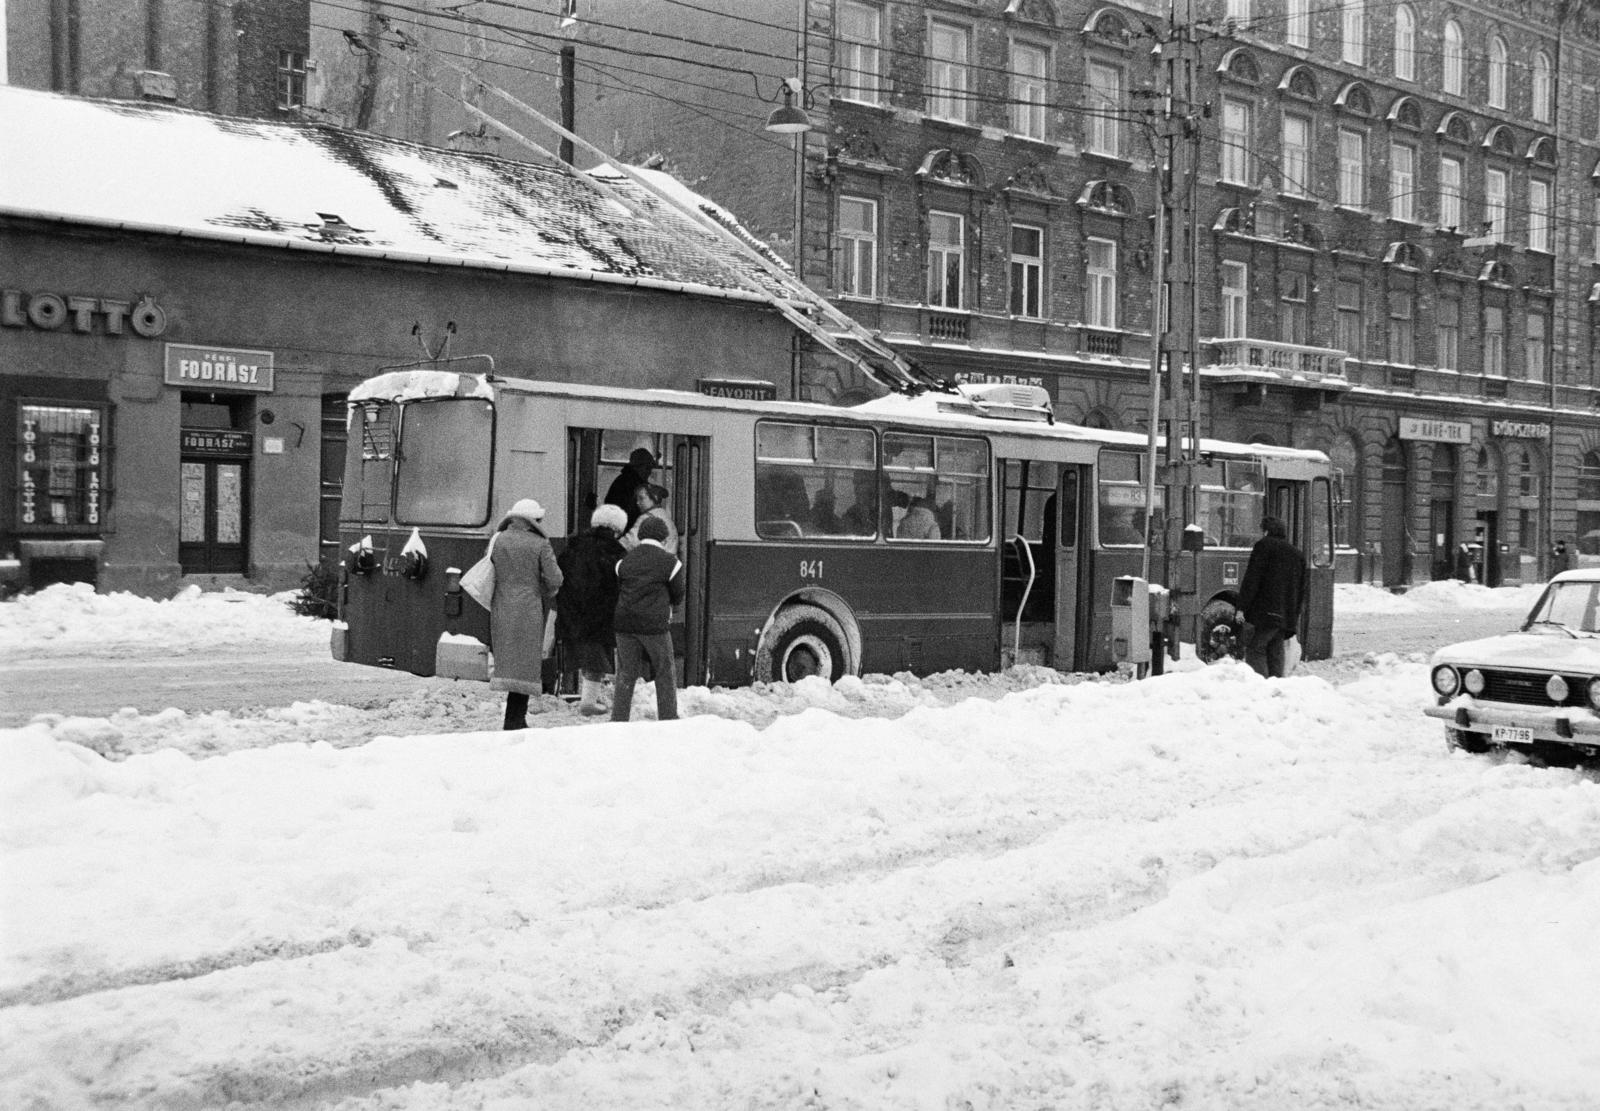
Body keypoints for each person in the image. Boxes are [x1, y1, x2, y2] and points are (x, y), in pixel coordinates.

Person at [488, 497, 563, 729]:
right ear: (533, 521)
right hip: (529, 607)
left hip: (501, 605)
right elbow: (555, 578)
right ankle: (515, 719)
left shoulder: (498, 539)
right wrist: (546, 589)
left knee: (509, 659)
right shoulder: (540, 544)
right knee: (526, 664)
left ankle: (514, 718)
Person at [555, 504, 629, 717]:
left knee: (582, 652)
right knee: (596, 656)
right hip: (600, 612)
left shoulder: (573, 546)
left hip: (572, 609)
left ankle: (579, 694)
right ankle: (588, 701)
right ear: (617, 529)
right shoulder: (616, 552)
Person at [611, 514, 686, 722]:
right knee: (664, 671)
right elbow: (679, 593)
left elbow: (620, 588)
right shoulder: (671, 563)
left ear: (641, 536)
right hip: (654, 627)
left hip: (624, 625)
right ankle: (668, 717)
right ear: (663, 539)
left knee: (626, 673)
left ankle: (618, 719)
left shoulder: (624, 562)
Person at [1236, 515, 1307, 679]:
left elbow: (1252, 579)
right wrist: (1293, 616)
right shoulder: (1297, 554)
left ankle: (1261, 684)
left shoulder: (1264, 546)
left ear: (1266, 531)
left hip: (1265, 612)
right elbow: (1301, 589)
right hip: (1285, 614)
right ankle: (1276, 684)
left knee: (1255, 648)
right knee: (1275, 649)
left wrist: (1241, 607)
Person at [604, 447, 657, 530]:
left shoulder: (625, 480)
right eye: (647, 468)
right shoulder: (630, 484)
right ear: (637, 467)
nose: (649, 472)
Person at [623, 483, 678, 554]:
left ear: (654, 498)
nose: (637, 503)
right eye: (637, 499)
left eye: (641, 498)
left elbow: (630, 543)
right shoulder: (666, 517)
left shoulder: (646, 517)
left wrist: (612, 546)